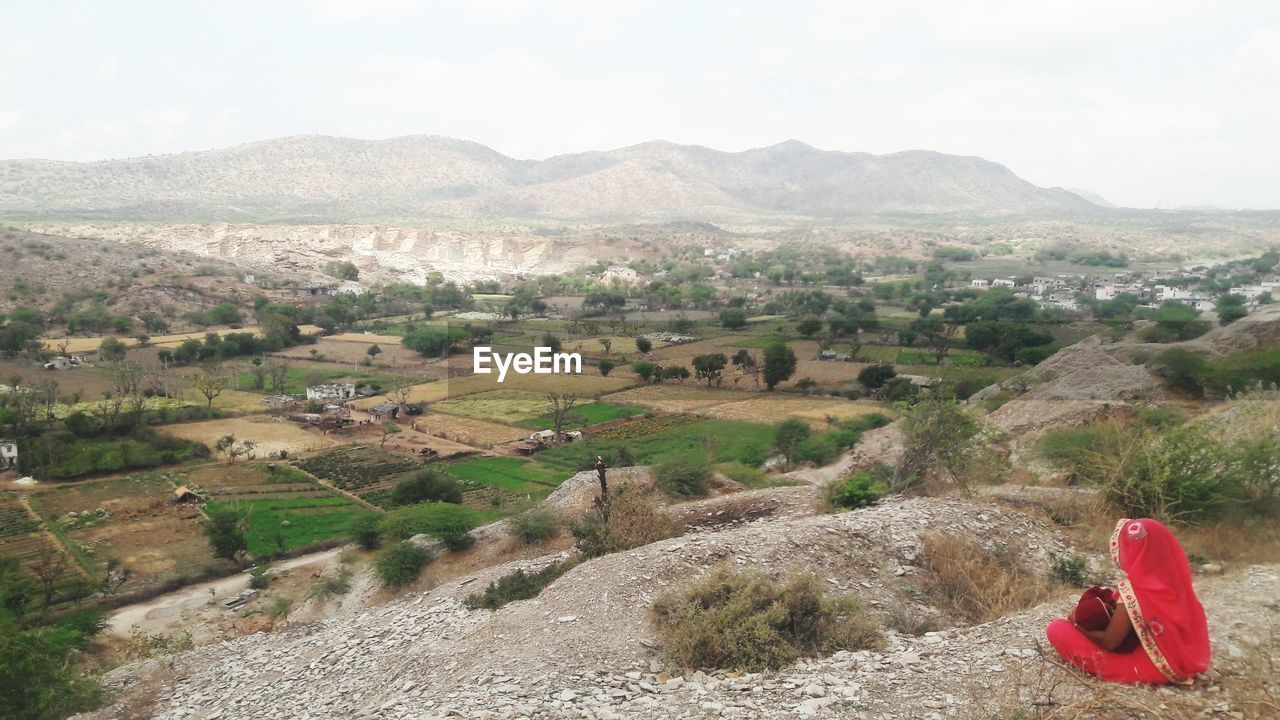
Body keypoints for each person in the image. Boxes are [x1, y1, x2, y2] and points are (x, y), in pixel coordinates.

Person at [1045, 518, 1211, 685]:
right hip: (1176, 660)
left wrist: (1077, 626)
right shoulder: (1175, 583)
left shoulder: (1134, 592)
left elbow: (1110, 642)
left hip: (1145, 668)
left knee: (1057, 629)